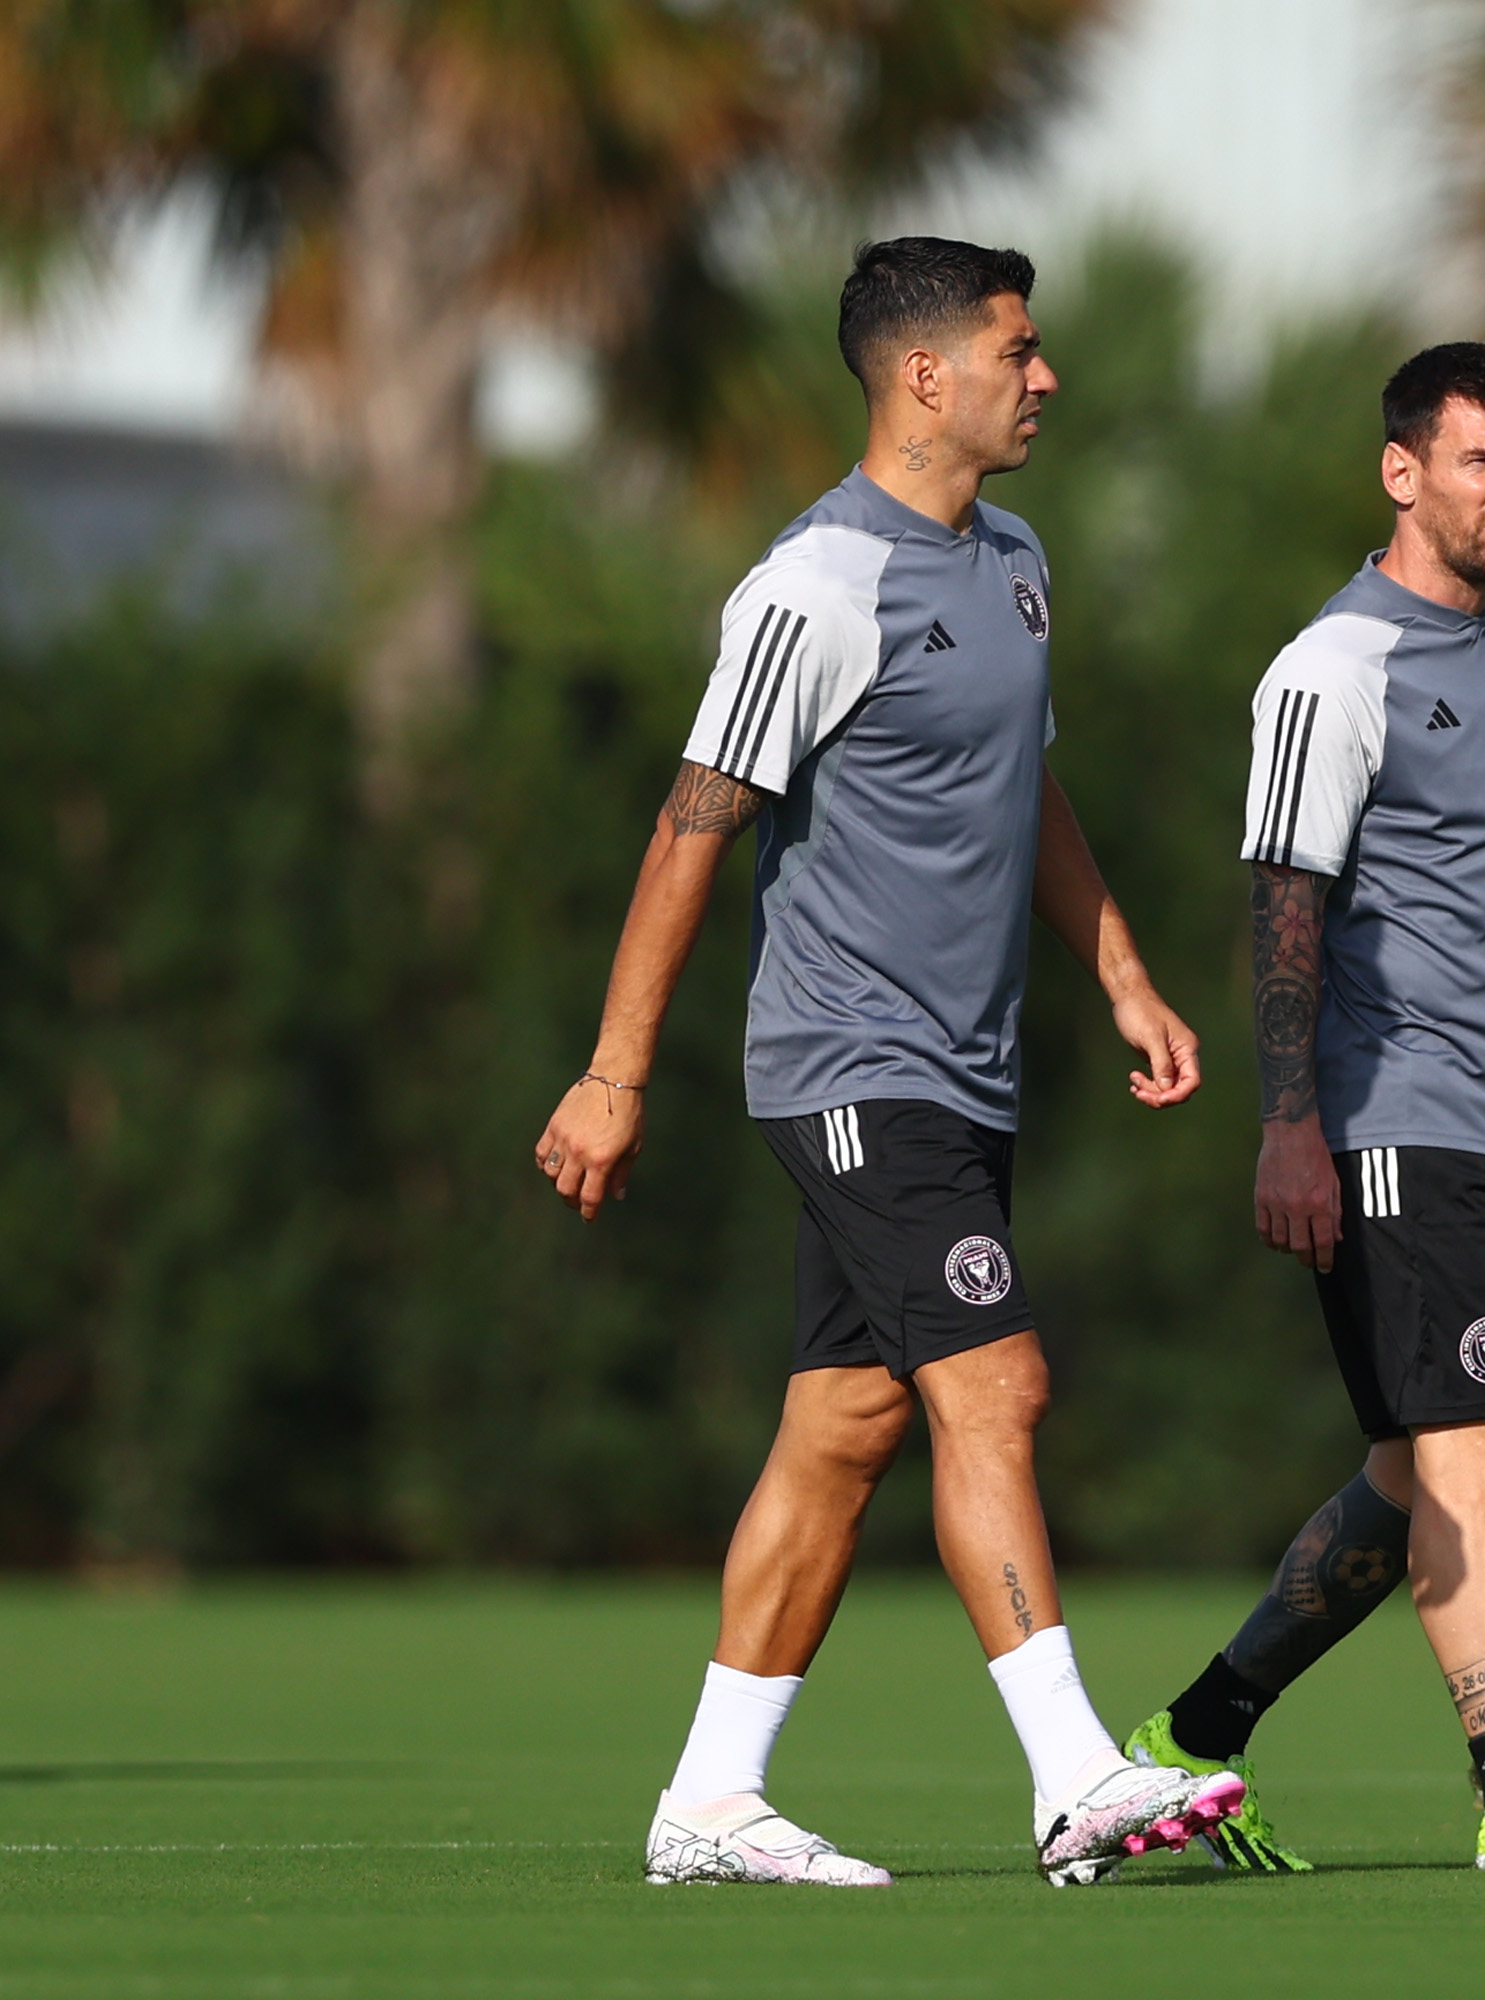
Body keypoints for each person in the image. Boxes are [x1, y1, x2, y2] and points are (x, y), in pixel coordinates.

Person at [533, 236, 1243, 1891]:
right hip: (850, 1064)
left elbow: (1027, 791)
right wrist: (615, 1071)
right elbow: (691, 830)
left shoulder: (1015, 560)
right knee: (995, 1386)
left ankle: (711, 1801)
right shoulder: (812, 585)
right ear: (927, 375)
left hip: (962, 1069)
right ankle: (1076, 1776)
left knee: (846, 1427)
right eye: (1020, 348)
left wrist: (1123, 973)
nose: (1046, 374)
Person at [1120, 343, 1485, 1874]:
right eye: (1479, 463)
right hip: (1391, 1121)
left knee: (1410, 1471)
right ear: (1403, 472)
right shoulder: (1333, 668)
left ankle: (1197, 1735)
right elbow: (1286, 904)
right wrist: (1289, 1123)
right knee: (1482, 1454)